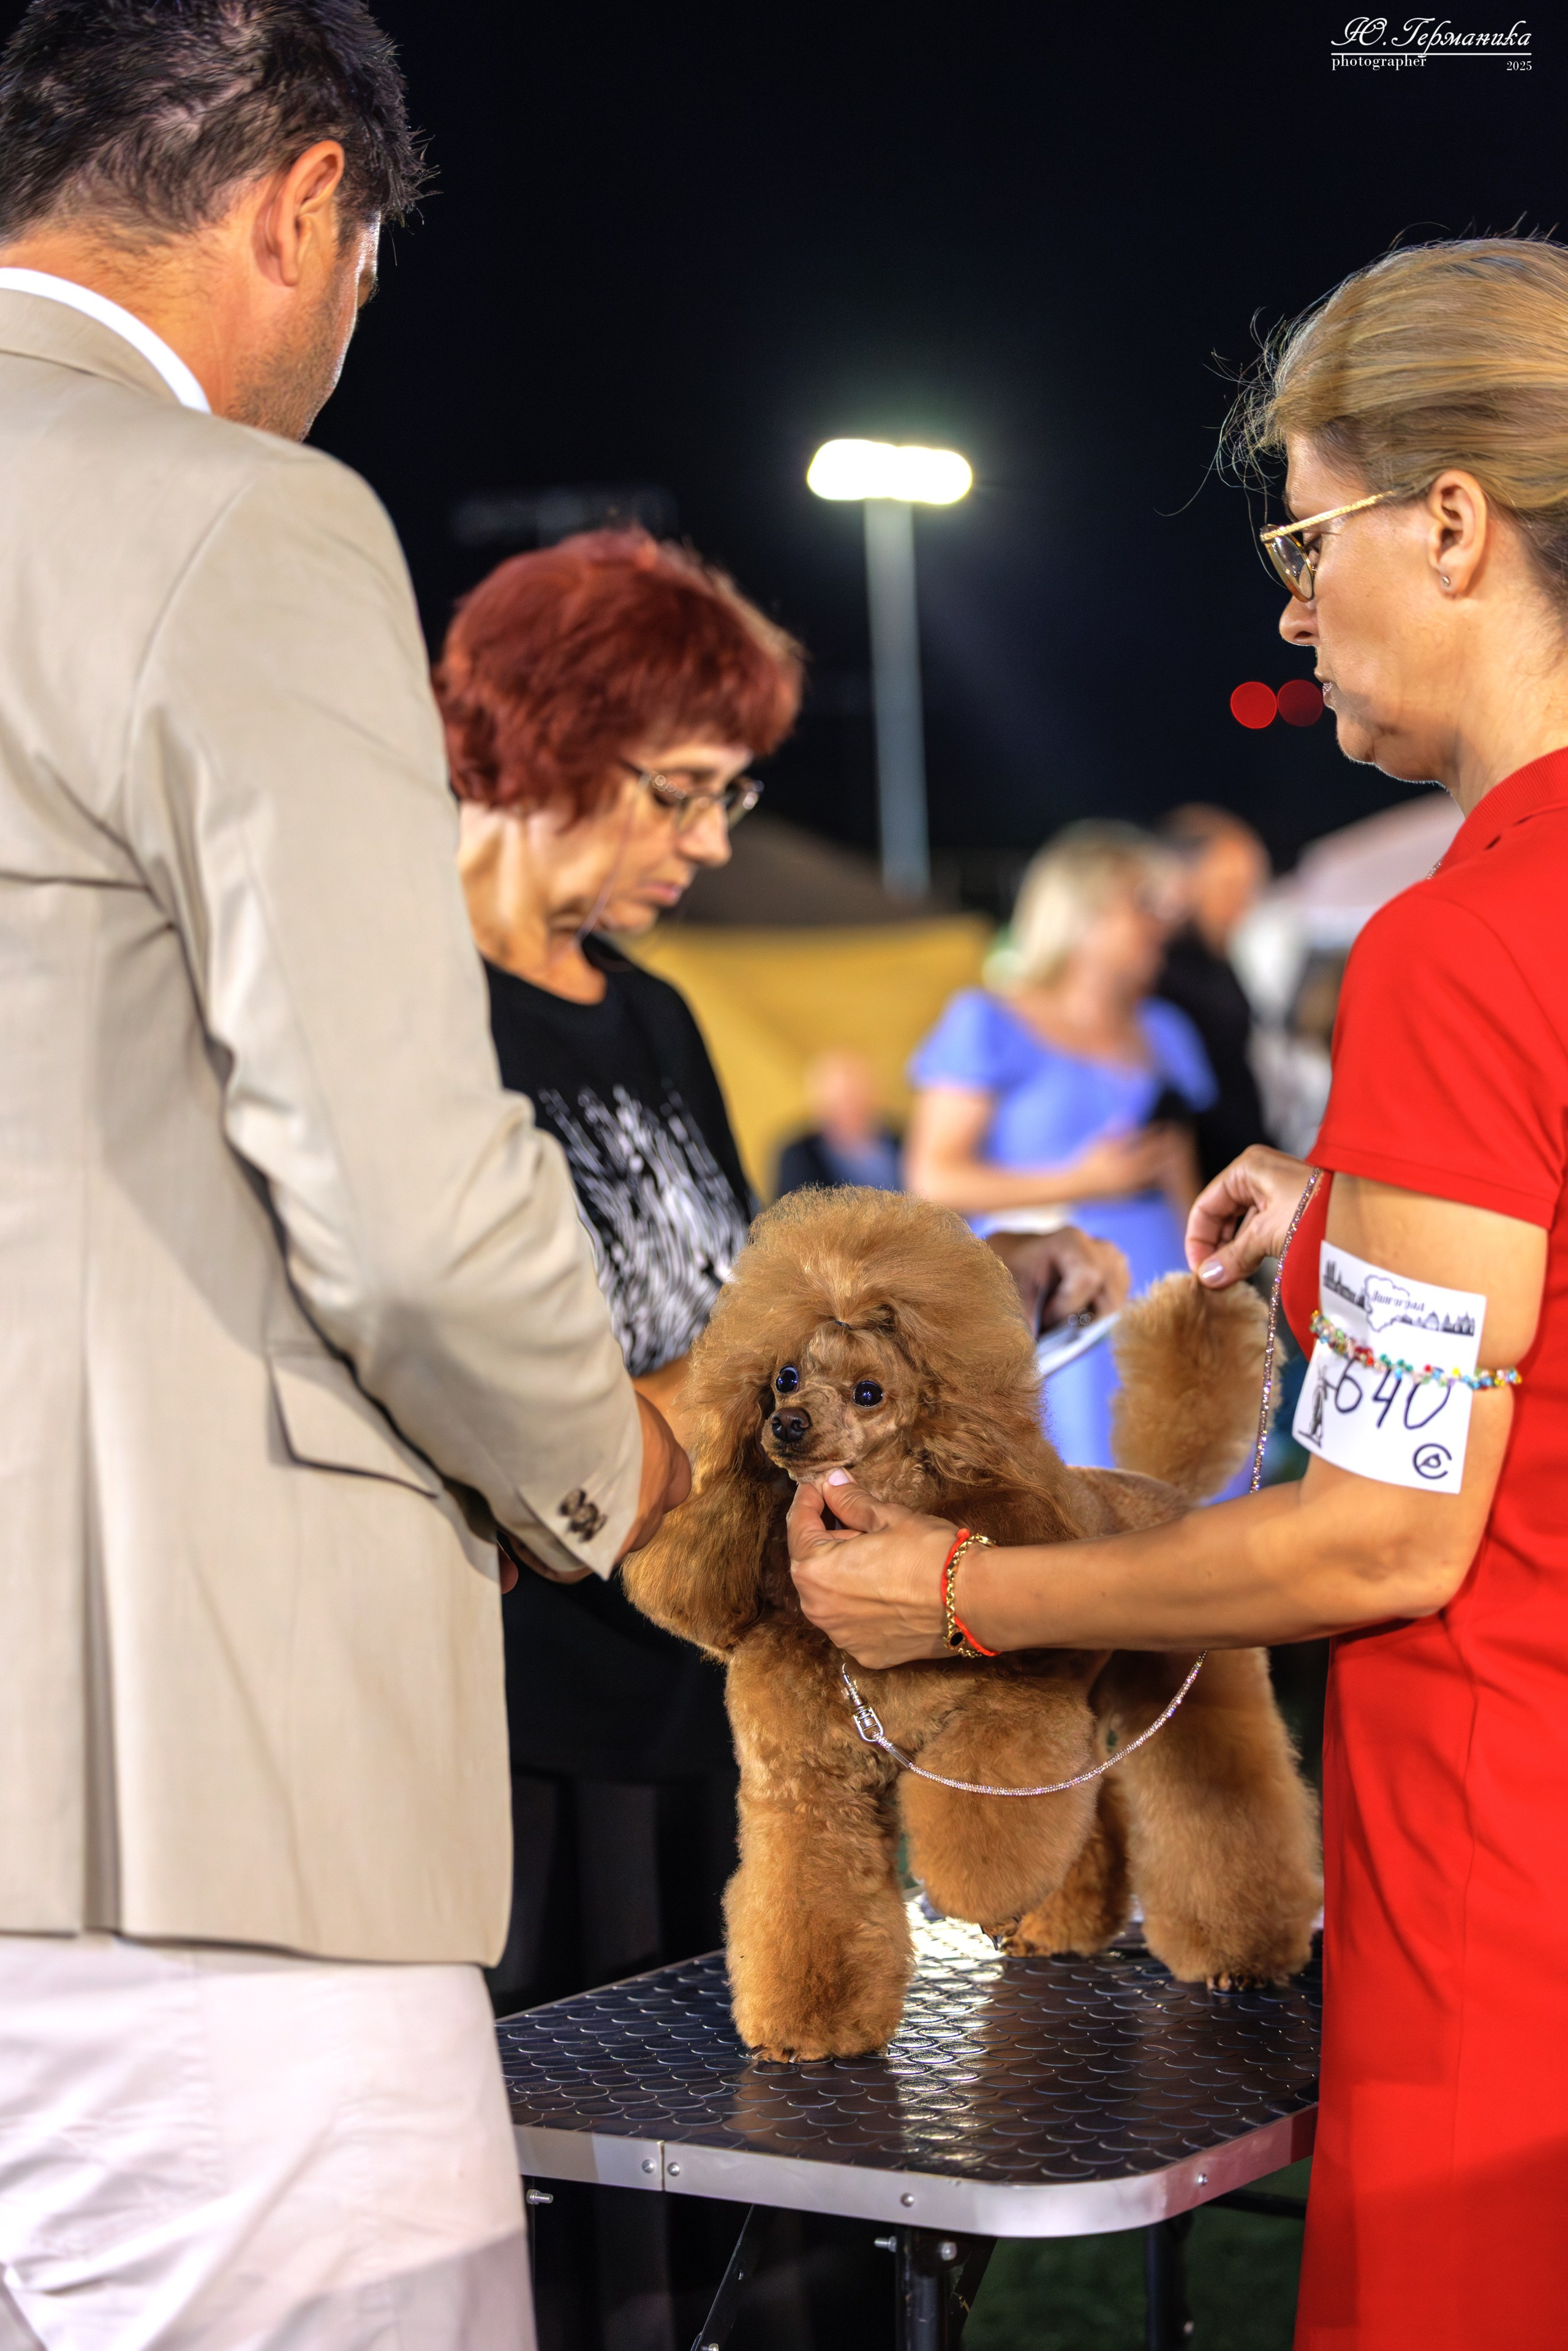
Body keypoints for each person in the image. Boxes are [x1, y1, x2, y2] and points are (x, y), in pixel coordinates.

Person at [786, 236, 1568, 2351]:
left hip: (1513, 1910)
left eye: (1309, 536)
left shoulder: (1469, 939)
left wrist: (961, 1591)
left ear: (1455, 522)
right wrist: (1359, 1199)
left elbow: (1395, 1532)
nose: (1292, 606)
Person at [0, 8, 687, 2349]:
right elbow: (398, 1194)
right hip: (172, 1793)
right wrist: (615, 1449)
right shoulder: (229, 512)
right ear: (303, 205)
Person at [435, 529, 799, 2024]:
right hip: (518, 1725)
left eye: (729, 795)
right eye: (680, 791)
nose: (709, 840)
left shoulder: (650, 1011)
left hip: (697, 1683)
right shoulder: (406, 1009)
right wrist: (702, 1387)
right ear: (537, 745)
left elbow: (736, 1308)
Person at [903, 820, 1214, 1465]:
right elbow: (933, 1176)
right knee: (1075, 1497)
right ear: (1083, 913)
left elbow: (1178, 1175)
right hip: (1055, 1305)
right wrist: (1085, 1180)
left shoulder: (1166, 1030)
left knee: (1187, 1495)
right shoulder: (989, 1017)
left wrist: (1209, 1292)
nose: (1163, 922)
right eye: (1143, 904)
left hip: (1160, 1301)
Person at [1156, 804, 1272, 1181]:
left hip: (1236, 1160)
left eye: (1250, 887)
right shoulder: (1164, 970)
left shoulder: (1218, 958)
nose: (1245, 901)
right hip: (1206, 1172)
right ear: (1183, 882)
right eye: (1230, 886)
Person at [774, 1047, 903, 1198]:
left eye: (857, 1094)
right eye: (841, 1098)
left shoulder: (904, 1141)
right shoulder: (798, 1156)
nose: (850, 1106)